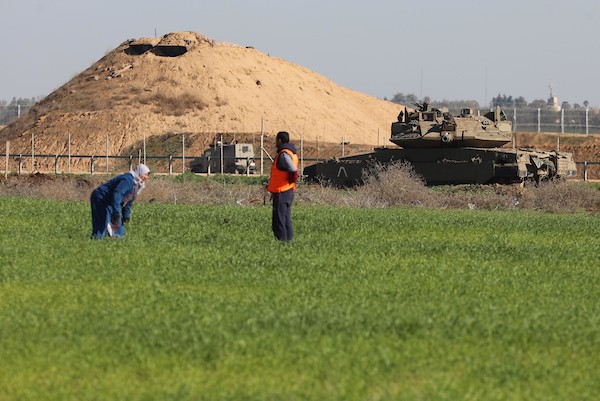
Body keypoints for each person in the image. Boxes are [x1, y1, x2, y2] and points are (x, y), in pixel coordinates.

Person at [90, 163, 150, 239]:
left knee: (119, 227)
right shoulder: (127, 180)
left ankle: (117, 244)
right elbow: (117, 194)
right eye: (145, 174)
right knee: (102, 223)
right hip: (100, 198)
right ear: (140, 172)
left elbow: (128, 200)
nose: (146, 177)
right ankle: (96, 241)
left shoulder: (136, 184)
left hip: (111, 201)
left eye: (147, 175)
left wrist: (126, 215)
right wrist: (116, 212)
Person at [267, 131, 299, 242]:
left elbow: (292, 169)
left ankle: (282, 243)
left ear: (280, 140)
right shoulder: (291, 153)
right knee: (285, 219)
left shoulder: (284, 154)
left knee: (279, 220)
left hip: (282, 191)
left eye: (276, 140)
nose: (275, 142)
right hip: (287, 190)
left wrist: (291, 180)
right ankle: (288, 243)